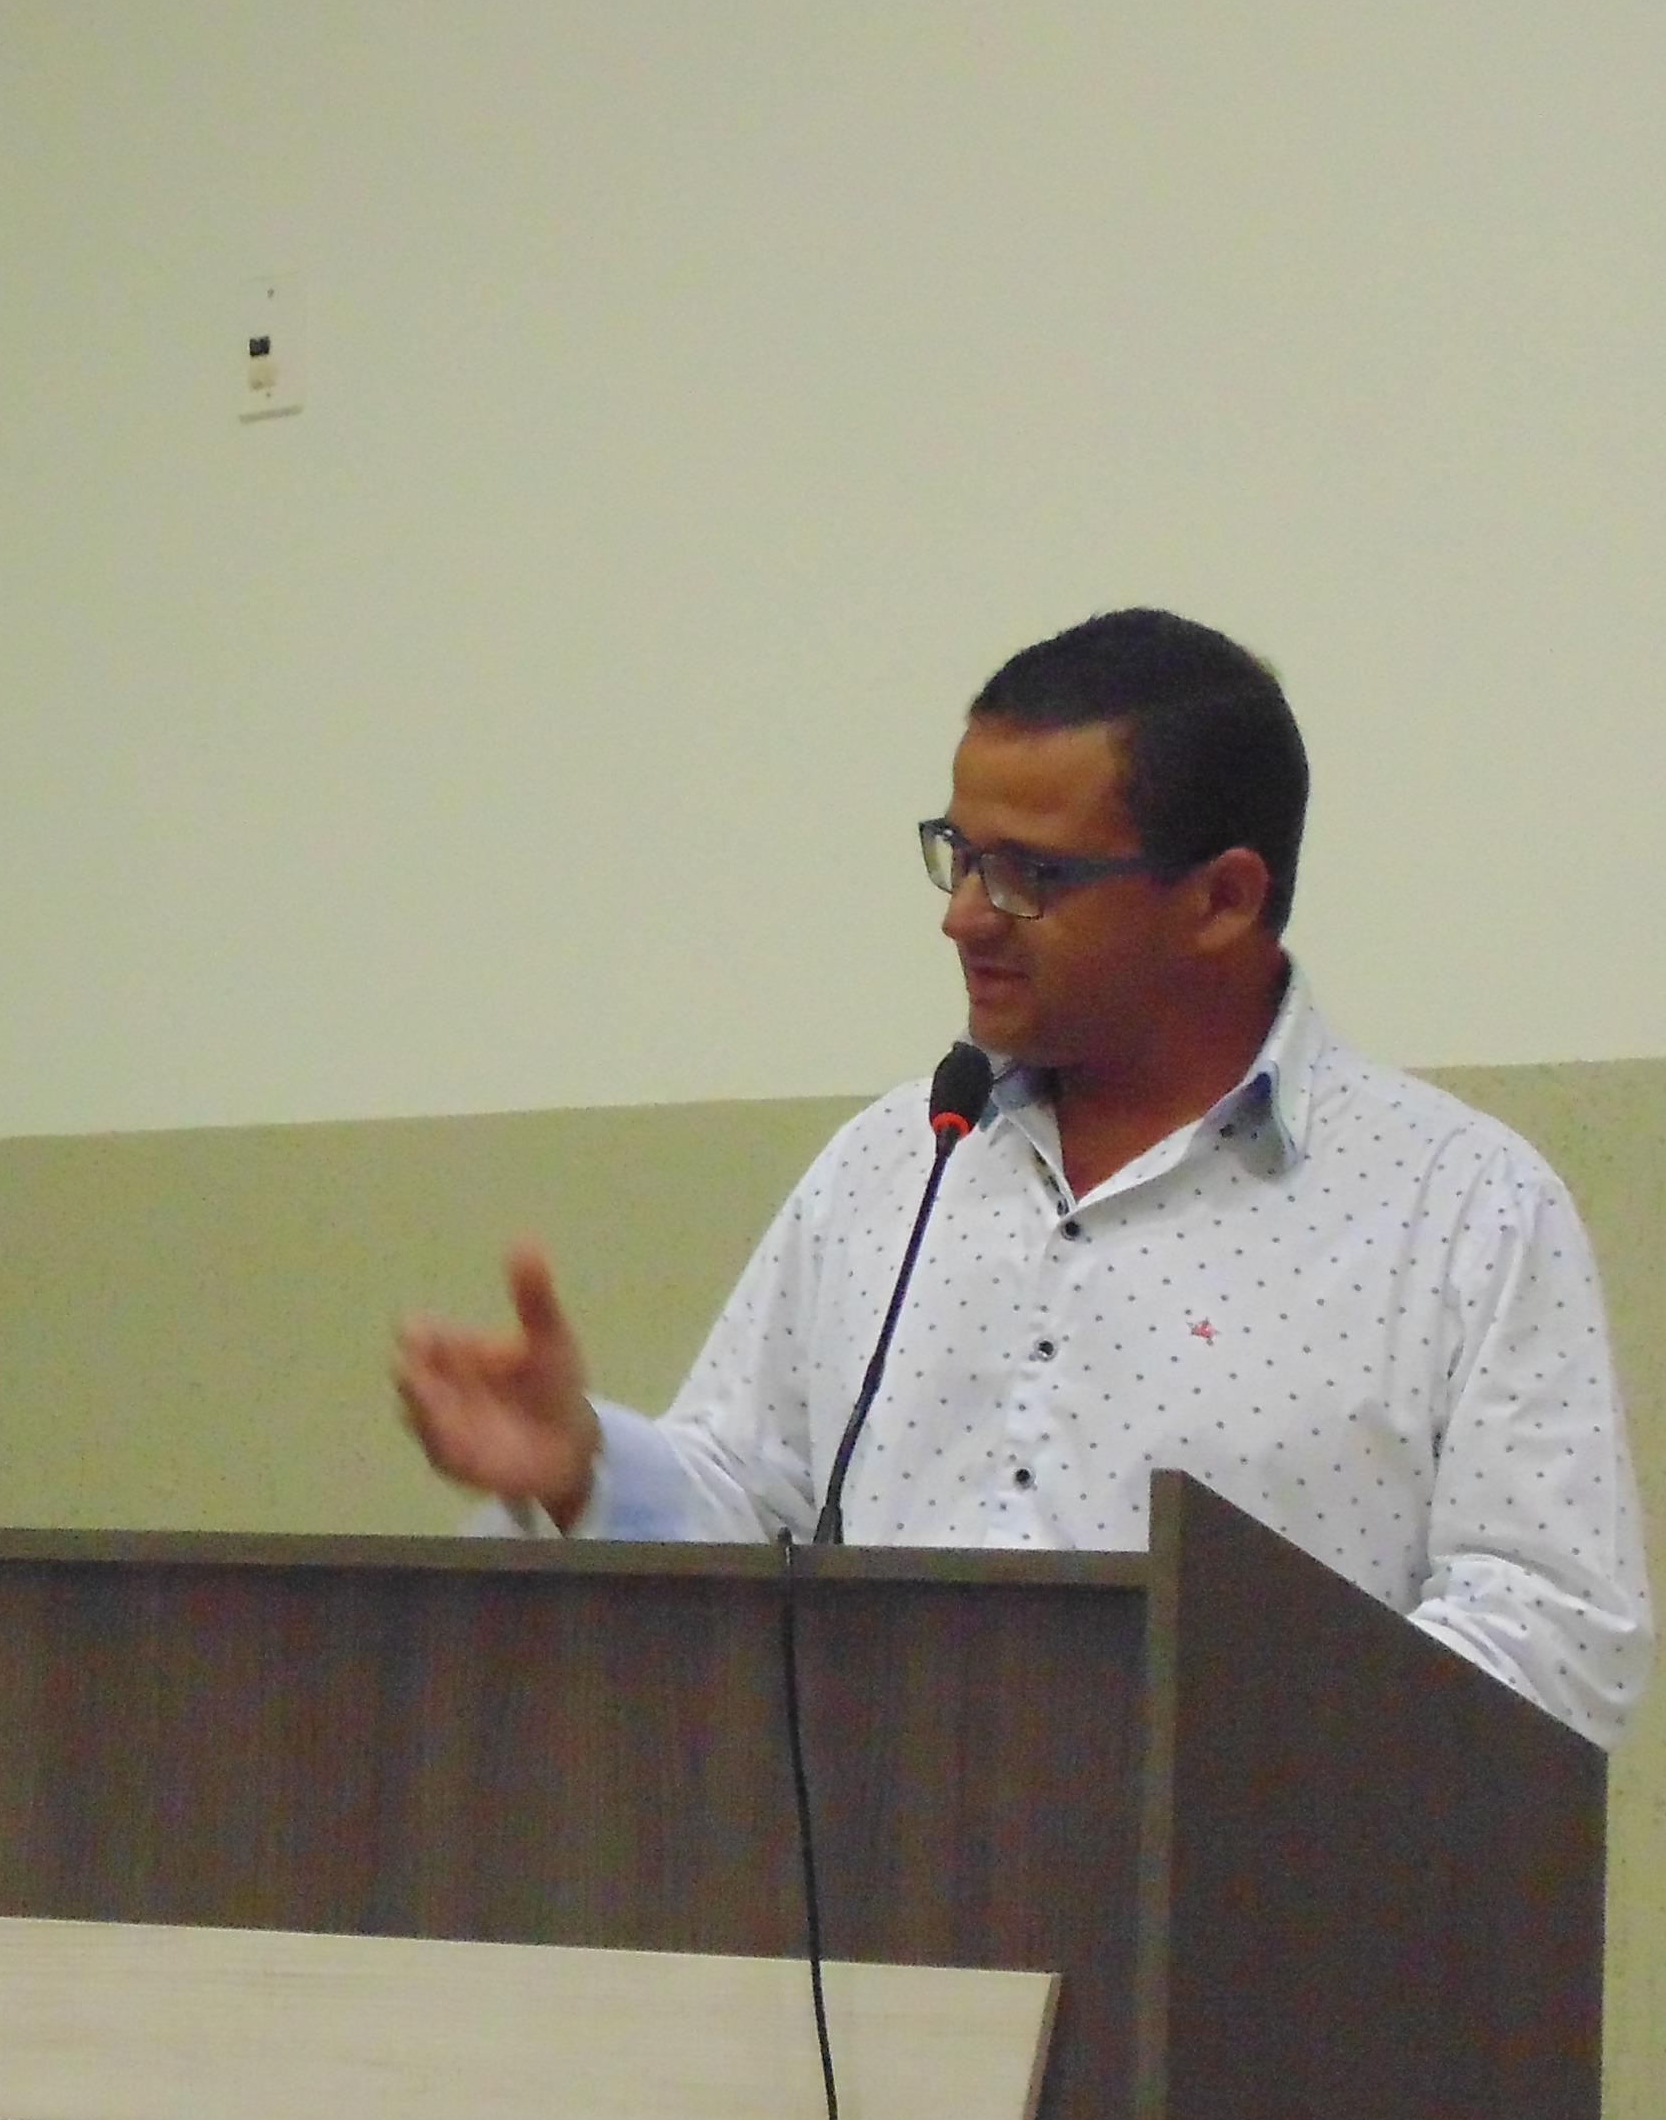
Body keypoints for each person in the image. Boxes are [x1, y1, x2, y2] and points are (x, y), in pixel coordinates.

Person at [392, 607, 1651, 1748]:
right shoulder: (890, 1166)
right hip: (888, 1902)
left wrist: (1223, 1759)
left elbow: (1553, 1634)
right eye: (957, 853)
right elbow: (757, 1515)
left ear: (1220, 899)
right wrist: (582, 1470)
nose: (962, 916)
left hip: (1252, 1907)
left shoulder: (1460, 1208)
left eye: (1028, 876)